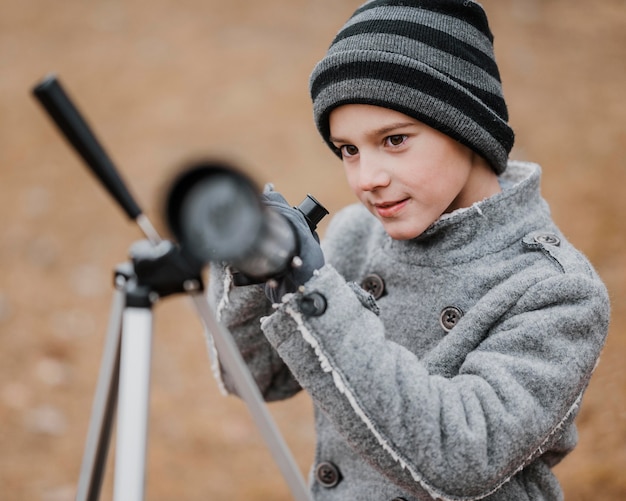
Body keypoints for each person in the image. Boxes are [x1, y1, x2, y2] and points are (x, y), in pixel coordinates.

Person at [207, 1, 610, 499]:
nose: (367, 179)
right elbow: (254, 378)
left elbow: (460, 456)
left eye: (394, 139)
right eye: (349, 150)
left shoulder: (556, 290)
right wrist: (258, 273)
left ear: (466, 127)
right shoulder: (358, 234)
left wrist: (316, 295)